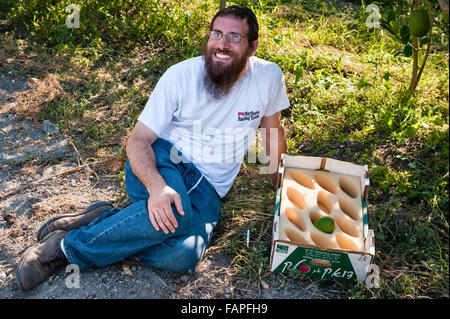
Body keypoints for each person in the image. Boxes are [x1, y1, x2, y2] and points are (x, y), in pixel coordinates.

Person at [16, 5, 290, 291]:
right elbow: (137, 141)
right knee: (176, 210)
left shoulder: (268, 77)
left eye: (234, 37)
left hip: (209, 189)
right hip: (165, 159)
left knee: (183, 255)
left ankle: (108, 220)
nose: (222, 44)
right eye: (216, 34)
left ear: (252, 47)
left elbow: (272, 133)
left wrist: (282, 191)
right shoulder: (180, 76)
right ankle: (62, 249)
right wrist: (157, 186)